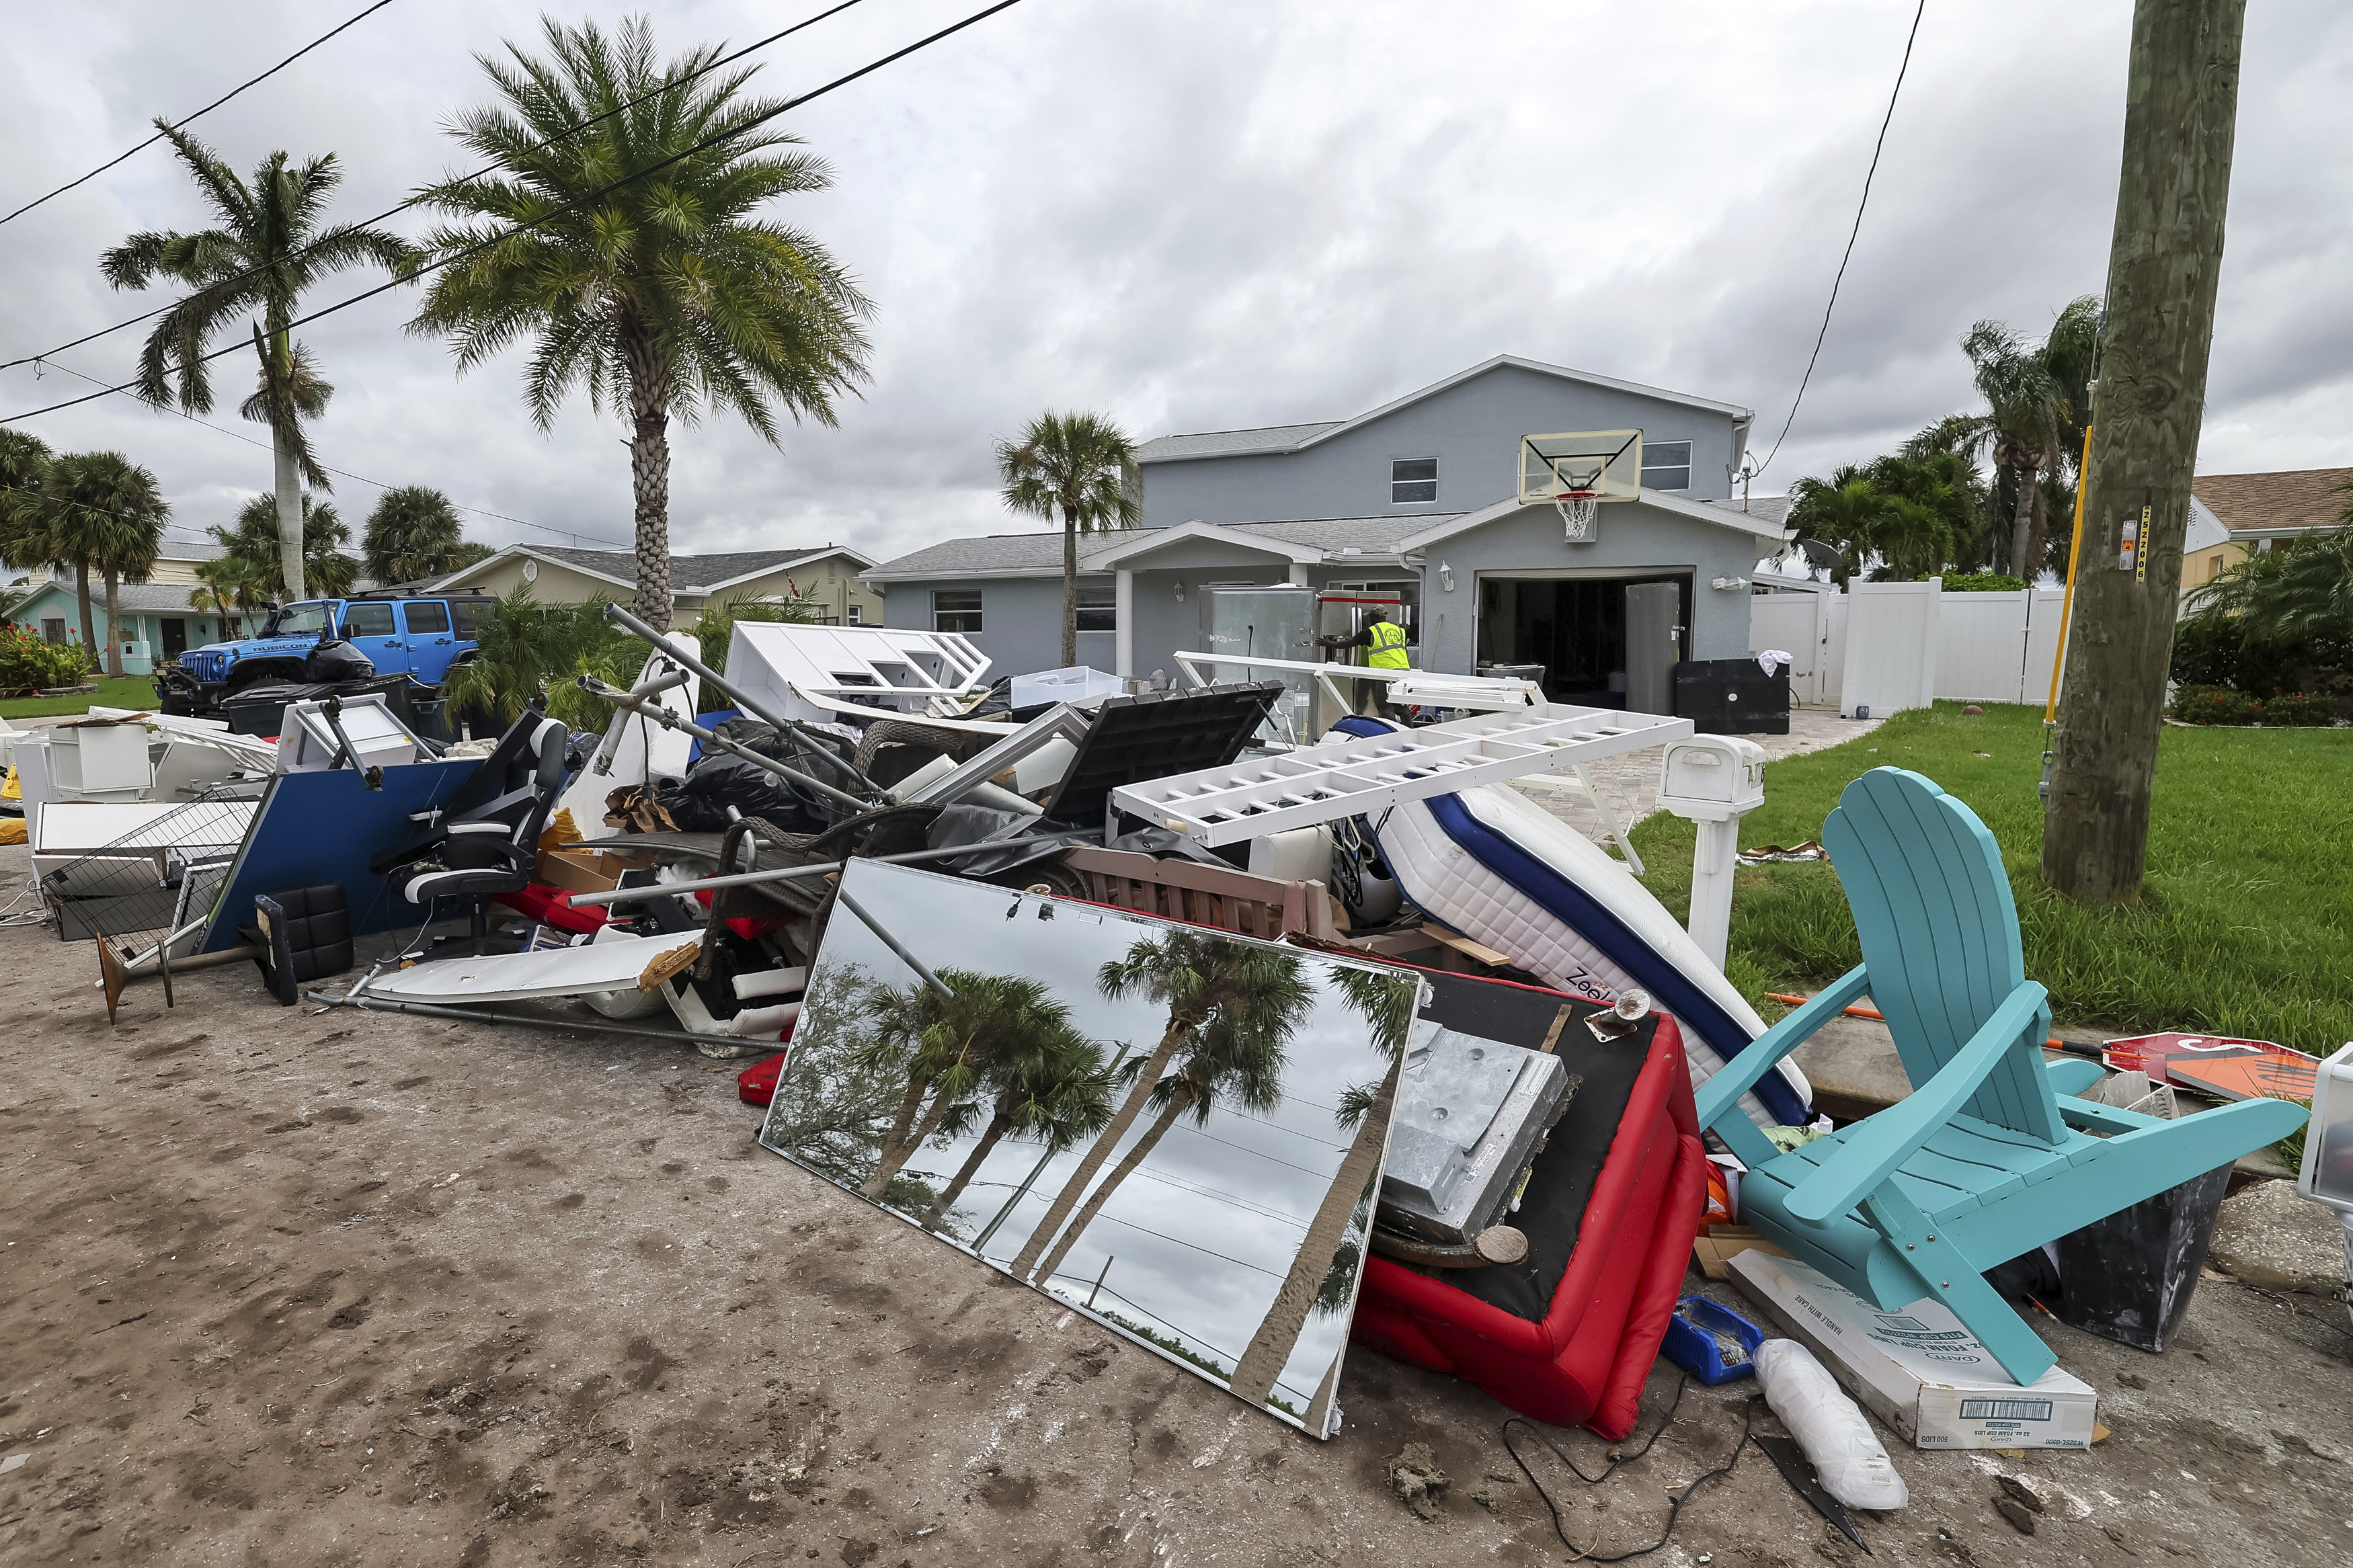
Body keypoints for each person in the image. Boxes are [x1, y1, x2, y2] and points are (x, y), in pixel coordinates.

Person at [1316, 607, 1411, 718]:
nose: (1370, 619)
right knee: (1401, 705)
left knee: (1385, 705)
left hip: (1386, 672)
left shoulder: (1372, 632)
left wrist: (1329, 643)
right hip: (1404, 672)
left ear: (1375, 616)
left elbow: (1346, 644)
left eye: (1370, 616)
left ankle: (1392, 733)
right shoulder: (1399, 630)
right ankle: (1409, 730)